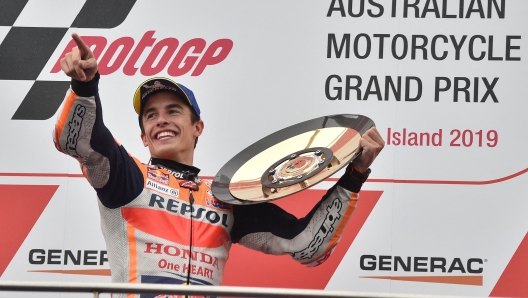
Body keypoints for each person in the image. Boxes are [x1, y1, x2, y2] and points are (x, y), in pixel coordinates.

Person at [53, 33, 384, 297]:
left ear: (198, 127)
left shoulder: (226, 199)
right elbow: (79, 141)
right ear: (143, 136)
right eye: (150, 115)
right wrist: (84, 87)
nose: (161, 120)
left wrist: (354, 176)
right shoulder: (128, 178)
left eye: (173, 111)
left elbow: (307, 245)